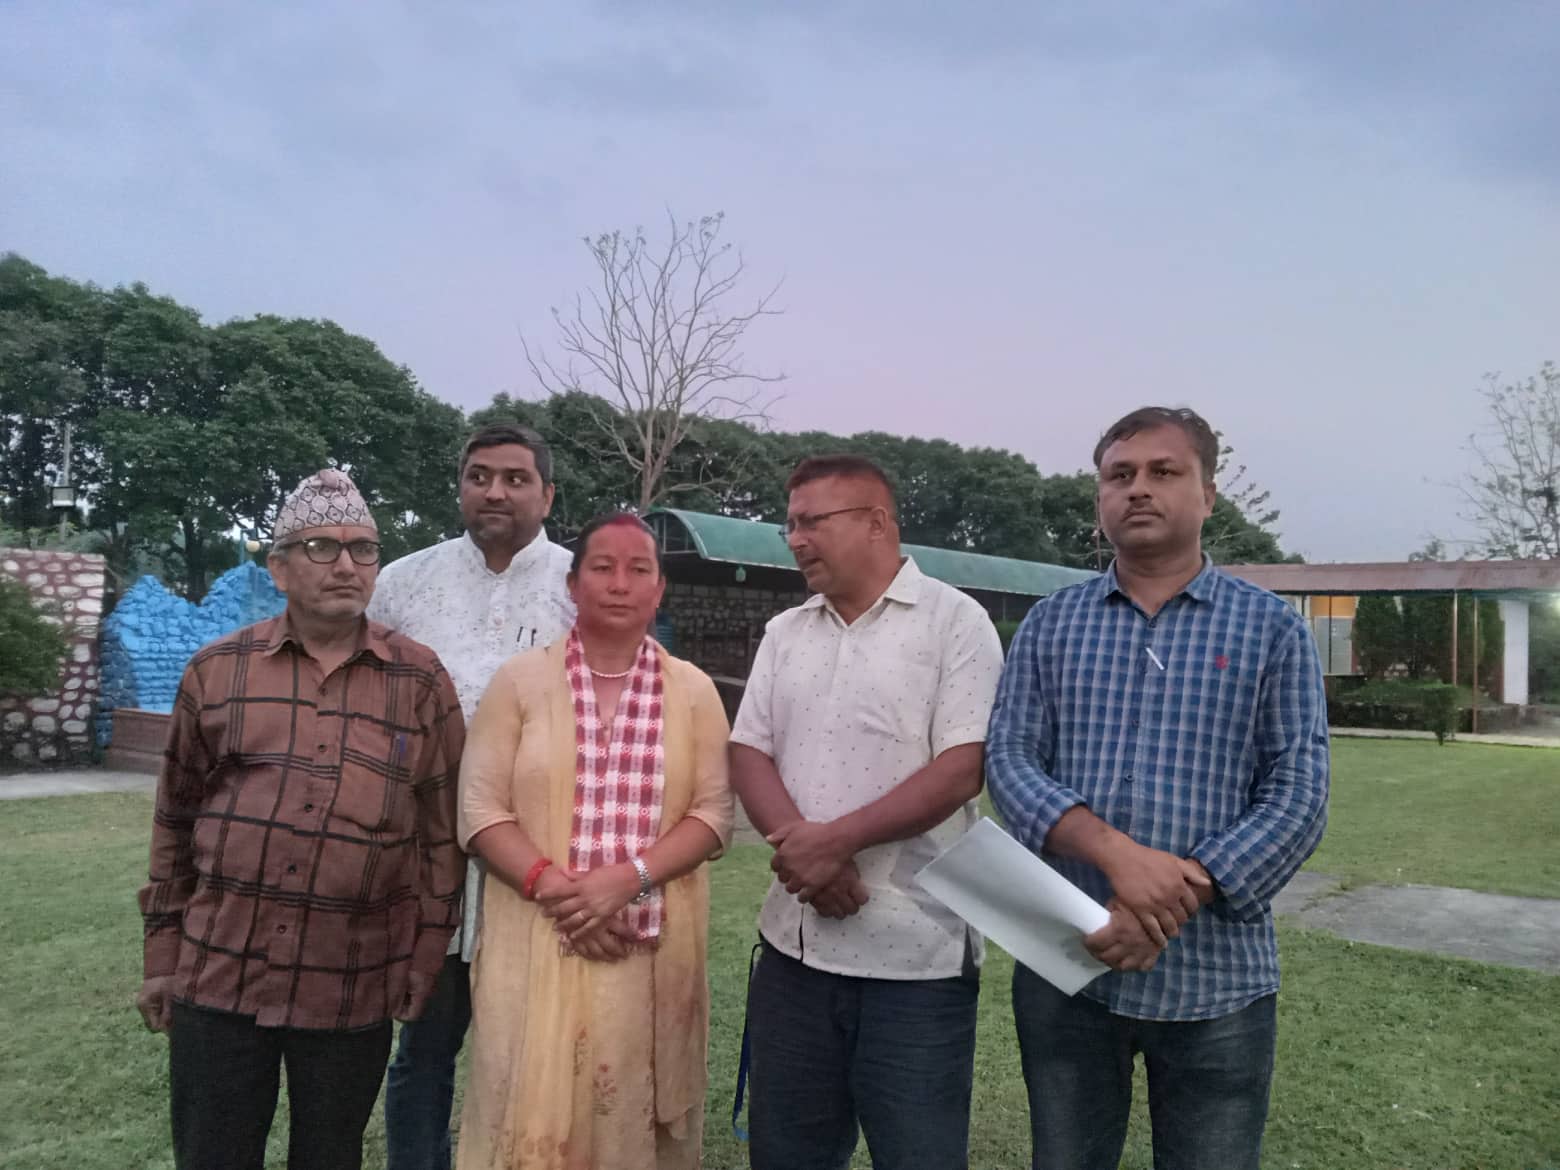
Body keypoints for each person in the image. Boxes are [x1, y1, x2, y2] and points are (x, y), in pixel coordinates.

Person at [986, 406, 1330, 1170]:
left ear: (1208, 495)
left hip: (1218, 979)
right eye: (1120, 475)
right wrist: (1116, 855)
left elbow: (1299, 791)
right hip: (1069, 963)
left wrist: (1180, 891)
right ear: (1100, 498)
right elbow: (1009, 761)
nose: (1138, 488)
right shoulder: (1050, 625)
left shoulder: (1272, 629)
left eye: (1163, 472)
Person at [136, 468, 465, 1170]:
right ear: (279, 569)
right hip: (220, 969)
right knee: (214, 1155)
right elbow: (174, 824)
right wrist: (161, 958)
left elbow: (441, 837)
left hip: (350, 976)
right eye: (322, 547)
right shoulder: (216, 672)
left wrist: (425, 955)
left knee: (330, 1155)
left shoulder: (420, 681)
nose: (346, 565)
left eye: (363, 548)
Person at [728, 454, 1004, 1170]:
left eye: (811, 522)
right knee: (788, 1154)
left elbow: (961, 767)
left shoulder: (955, 622)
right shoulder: (786, 631)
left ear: (877, 522)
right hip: (794, 950)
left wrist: (834, 843)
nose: (795, 539)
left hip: (916, 959)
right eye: (790, 525)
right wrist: (810, 859)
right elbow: (749, 750)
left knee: (918, 1155)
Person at [454, 512, 733, 1170]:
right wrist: (561, 892)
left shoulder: (694, 692)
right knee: (525, 1110)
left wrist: (626, 879)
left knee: (634, 1124)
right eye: (602, 567)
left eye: (639, 569)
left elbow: (715, 813)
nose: (619, 583)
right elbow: (478, 808)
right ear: (572, 585)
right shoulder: (520, 683)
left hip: (651, 953)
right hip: (535, 942)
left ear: (660, 590)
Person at [369, 423, 575, 1170]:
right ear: (459, 487)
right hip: (422, 860)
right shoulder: (403, 583)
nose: (495, 491)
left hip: (541, 864)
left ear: (547, 494)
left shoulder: (580, 587)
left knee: (532, 1051)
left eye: (515, 478)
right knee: (423, 1047)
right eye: (479, 476)